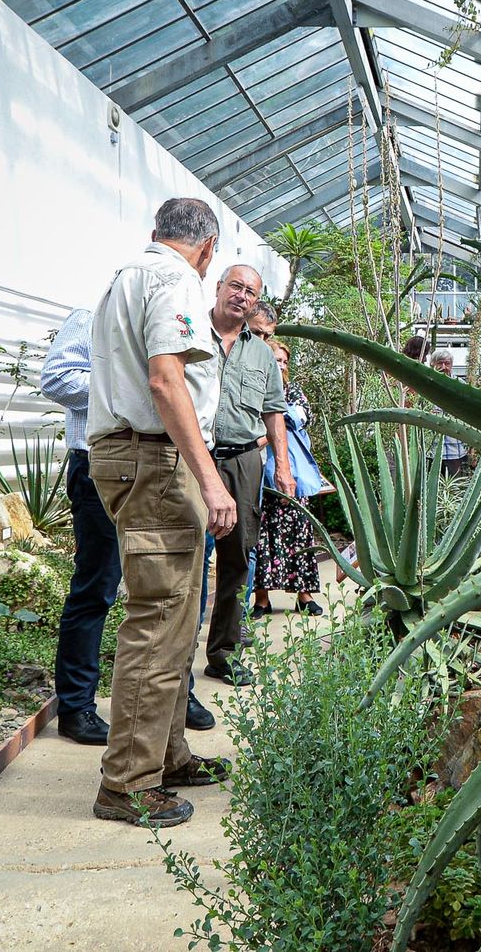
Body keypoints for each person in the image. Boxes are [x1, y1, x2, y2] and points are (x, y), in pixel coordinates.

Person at [85, 198, 236, 829]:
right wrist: (209, 477)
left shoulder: (125, 277)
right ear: (207, 251)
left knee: (175, 614)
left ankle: (165, 755)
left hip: (135, 456)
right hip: (154, 460)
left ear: (158, 234)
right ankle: (127, 781)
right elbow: (166, 381)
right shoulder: (174, 279)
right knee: (160, 616)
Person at [42, 310, 214, 745]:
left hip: (160, 468)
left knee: (164, 592)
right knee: (96, 587)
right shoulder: (91, 318)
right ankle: (77, 705)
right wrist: (126, 390)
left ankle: (176, 698)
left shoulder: (165, 330)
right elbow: (56, 378)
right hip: (100, 466)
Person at [204, 265, 294, 687]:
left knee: (238, 557)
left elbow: (274, 413)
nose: (241, 295)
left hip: (243, 461)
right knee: (189, 558)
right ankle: (174, 660)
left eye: (250, 292)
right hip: (195, 456)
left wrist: (284, 469)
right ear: (218, 288)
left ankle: (223, 653)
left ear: (256, 302)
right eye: (235, 286)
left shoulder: (260, 353)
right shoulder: (189, 333)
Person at [252, 339, 327, 615]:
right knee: (262, 535)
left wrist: (272, 416)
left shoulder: (293, 390)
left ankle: (304, 595)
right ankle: (262, 598)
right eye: (276, 360)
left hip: (291, 473)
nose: (280, 365)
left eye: (284, 361)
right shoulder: (255, 385)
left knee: (299, 532)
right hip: (261, 473)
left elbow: (301, 416)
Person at [430, 350, 472, 477]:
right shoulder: (426, 385)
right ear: (432, 365)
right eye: (439, 363)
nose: (443, 367)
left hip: (456, 451)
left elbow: (470, 417)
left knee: (456, 490)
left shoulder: (460, 386)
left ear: (452, 365)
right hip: (432, 451)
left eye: (447, 363)